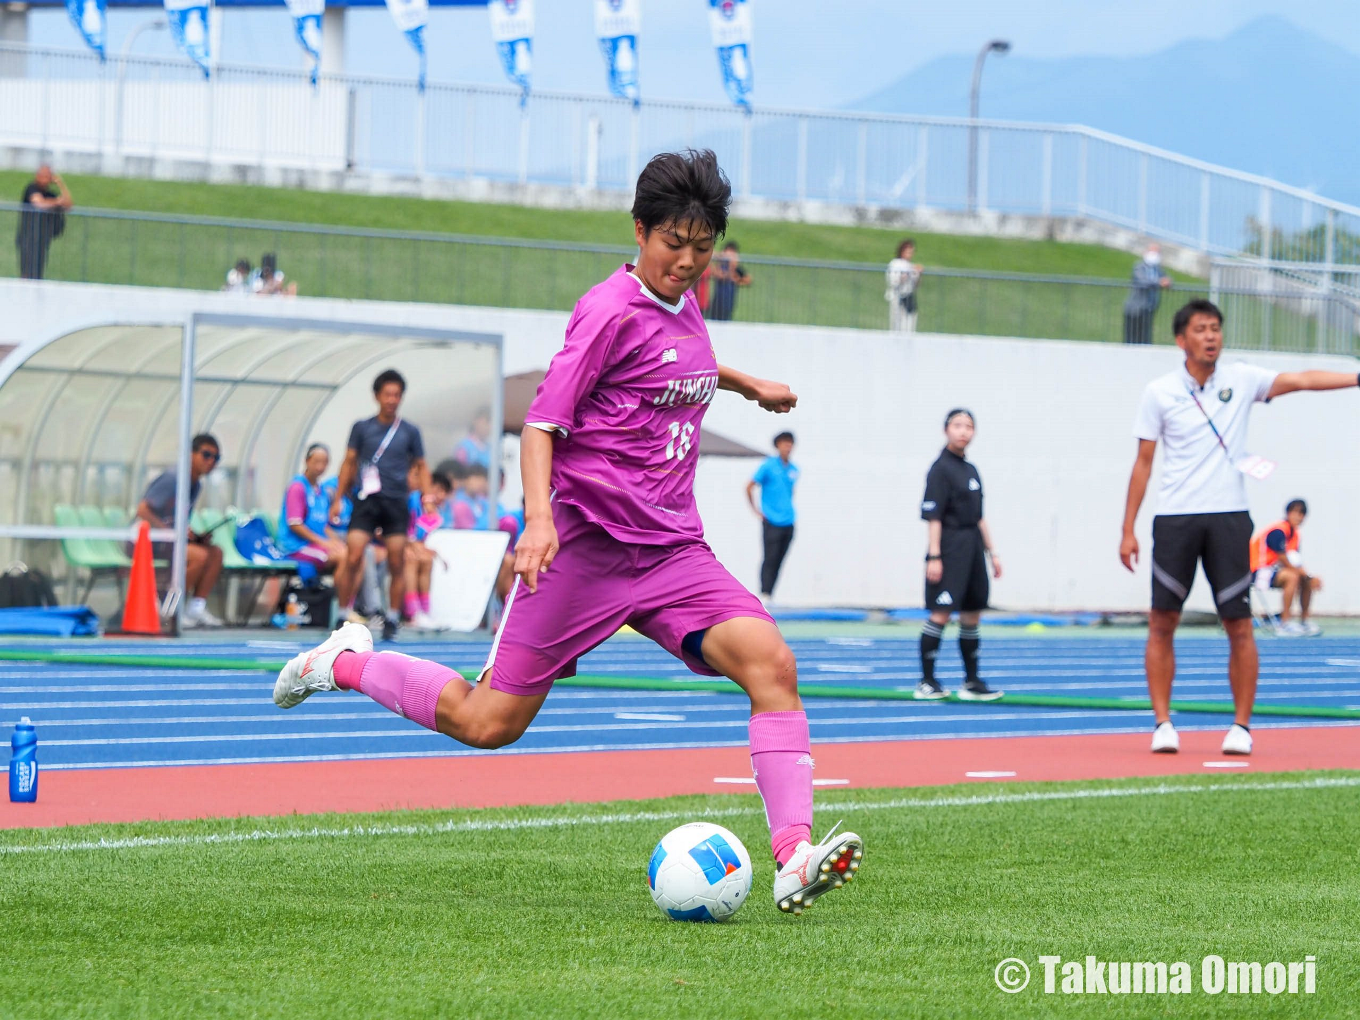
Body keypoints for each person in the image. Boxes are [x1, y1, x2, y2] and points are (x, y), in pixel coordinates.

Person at [274, 149, 863, 916]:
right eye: (672, 244)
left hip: (672, 551)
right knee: (487, 723)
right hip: (583, 550)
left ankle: (793, 858)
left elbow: (677, 365)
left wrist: (745, 383)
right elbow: (541, 426)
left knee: (771, 663)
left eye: (703, 247)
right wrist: (541, 521)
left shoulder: (688, 304)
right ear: (639, 231)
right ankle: (346, 662)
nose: (687, 262)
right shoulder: (606, 310)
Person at [1120, 299, 1359, 756]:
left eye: (1216, 328)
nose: (1211, 336)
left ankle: (1242, 728)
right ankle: (1163, 723)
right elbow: (1142, 464)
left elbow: (1302, 381)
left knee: (1239, 625)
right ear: (1181, 340)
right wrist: (1128, 529)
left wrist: (1356, 377)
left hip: (1229, 518)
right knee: (1162, 622)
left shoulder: (1242, 378)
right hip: (1174, 518)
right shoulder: (1159, 391)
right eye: (1201, 329)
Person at [330, 369, 432, 642]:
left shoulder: (410, 431)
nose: (391, 399)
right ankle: (342, 613)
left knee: (397, 561)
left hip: (396, 504)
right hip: (366, 502)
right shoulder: (362, 428)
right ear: (377, 396)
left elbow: (421, 466)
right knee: (353, 556)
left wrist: (427, 498)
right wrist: (338, 498)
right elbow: (349, 462)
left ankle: (393, 617)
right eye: (387, 394)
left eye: (396, 395)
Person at [916, 409, 1004, 702]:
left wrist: (993, 553)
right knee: (941, 612)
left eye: (968, 426)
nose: (963, 431)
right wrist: (934, 556)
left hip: (973, 548)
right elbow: (934, 517)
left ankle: (972, 681)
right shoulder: (940, 469)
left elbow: (980, 517)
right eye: (957, 425)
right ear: (946, 430)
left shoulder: (971, 470)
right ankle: (927, 681)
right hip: (949, 547)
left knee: (972, 614)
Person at [132, 433, 225, 629]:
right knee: (199, 556)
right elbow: (143, 510)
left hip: (168, 540)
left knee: (215, 553)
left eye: (216, 458)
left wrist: (194, 535)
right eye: (206, 455)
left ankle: (195, 609)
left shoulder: (196, 484)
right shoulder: (173, 478)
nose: (211, 462)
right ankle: (171, 609)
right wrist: (170, 532)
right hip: (145, 541)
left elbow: (178, 520)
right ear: (191, 454)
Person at [277, 443, 352, 595]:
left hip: (315, 544)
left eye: (324, 462)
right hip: (295, 546)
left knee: (352, 554)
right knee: (343, 556)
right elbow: (295, 524)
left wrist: (335, 541)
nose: (320, 466)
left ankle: (350, 605)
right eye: (316, 461)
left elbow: (323, 525)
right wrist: (324, 542)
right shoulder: (298, 487)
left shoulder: (321, 490)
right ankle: (337, 606)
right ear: (307, 461)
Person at [1251, 499, 1322, 636]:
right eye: (1295, 512)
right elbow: (1282, 558)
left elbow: (1295, 561)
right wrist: (1303, 574)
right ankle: (1284, 623)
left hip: (1275, 571)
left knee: (1305, 579)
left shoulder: (1295, 535)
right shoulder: (1278, 531)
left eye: (1301, 514)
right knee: (1293, 577)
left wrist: (1309, 577)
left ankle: (1304, 621)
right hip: (1258, 571)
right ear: (1288, 513)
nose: (1298, 517)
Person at [746, 431, 799, 603]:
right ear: (777, 445)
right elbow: (749, 486)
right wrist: (756, 510)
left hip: (789, 521)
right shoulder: (768, 466)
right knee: (770, 557)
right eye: (784, 443)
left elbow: (790, 492)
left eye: (790, 443)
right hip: (771, 521)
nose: (787, 446)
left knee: (780, 560)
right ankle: (764, 594)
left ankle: (771, 594)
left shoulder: (794, 469)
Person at [404, 472, 454, 631]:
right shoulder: (411, 500)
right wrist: (411, 544)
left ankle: (425, 612)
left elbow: (427, 538)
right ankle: (412, 612)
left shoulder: (437, 513)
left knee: (426, 559)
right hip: (399, 546)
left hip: (415, 547)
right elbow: (403, 531)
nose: (441, 495)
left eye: (445, 492)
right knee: (412, 558)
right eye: (438, 489)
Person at [15, 165, 73, 281]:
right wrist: (57, 202)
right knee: (27, 271)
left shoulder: (50, 194)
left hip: (42, 239)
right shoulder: (31, 188)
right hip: (28, 238)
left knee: (38, 272)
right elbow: (39, 203)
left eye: (48, 176)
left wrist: (60, 183)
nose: (46, 179)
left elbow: (68, 205)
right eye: (44, 176)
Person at [1122, 244, 1171, 345]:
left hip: (1149, 309)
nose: (1155, 255)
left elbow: (1167, 279)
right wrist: (1159, 282)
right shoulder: (1139, 267)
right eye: (1152, 252)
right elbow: (1142, 281)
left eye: (1157, 252)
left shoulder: (1158, 269)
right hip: (1135, 310)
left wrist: (1167, 282)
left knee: (1145, 339)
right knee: (1132, 338)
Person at [705, 241, 750, 321]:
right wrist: (721, 257)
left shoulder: (737, 269)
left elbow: (748, 280)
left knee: (726, 321)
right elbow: (718, 274)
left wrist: (736, 279)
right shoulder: (721, 265)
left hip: (729, 302)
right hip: (717, 301)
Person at [885, 239, 921, 333]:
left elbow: (915, 285)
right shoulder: (895, 264)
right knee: (896, 326)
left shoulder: (911, 265)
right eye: (908, 252)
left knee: (909, 326)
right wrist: (905, 275)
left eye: (912, 252)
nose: (910, 254)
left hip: (909, 298)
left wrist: (919, 274)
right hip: (898, 298)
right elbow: (893, 281)